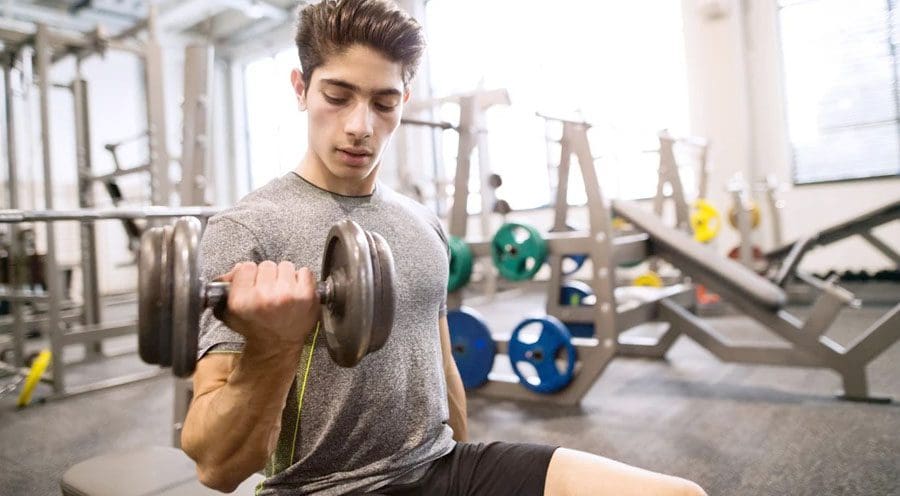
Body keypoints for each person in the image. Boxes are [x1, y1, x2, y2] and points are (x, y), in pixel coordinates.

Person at [180, 1, 707, 495]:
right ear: (301, 88)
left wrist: (461, 449)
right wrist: (274, 345)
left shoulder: (421, 221)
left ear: (403, 102)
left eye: (383, 103)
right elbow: (216, 466)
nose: (361, 126)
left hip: (442, 468)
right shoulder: (246, 228)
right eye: (337, 97)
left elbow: (441, 362)